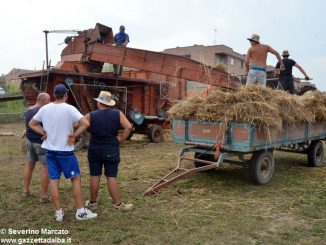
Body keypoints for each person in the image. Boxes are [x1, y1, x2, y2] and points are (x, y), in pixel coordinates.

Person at [29, 84, 97, 222]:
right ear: (66, 95)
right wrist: (74, 135)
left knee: (54, 180)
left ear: (54, 95)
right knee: (75, 178)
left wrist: (44, 133)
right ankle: (80, 212)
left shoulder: (45, 108)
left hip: (50, 151)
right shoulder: (69, 108)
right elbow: (85, 123)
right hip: (65, 152)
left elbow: (32, 123)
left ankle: (59, 212)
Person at [84, 91, 134, 212]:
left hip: (94, 149)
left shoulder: (91, 115)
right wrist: (121, 138)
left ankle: (92, 203)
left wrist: (87, 134)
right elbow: (128, 127)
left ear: (99, 103)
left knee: (94, 176)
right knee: (111, 176)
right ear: (110, 103)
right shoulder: (117, 113)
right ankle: (118, 205)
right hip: (111, 148)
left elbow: (78, 124)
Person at [22, 92, 51, 203]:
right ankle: (43, 196)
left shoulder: (29, 110)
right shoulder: (42, 111)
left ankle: (25, 190)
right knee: (45, 167)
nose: (49, 102)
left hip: (29, 141)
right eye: (48, 100)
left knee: (29, 166)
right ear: (43, 100)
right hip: (41, 143)